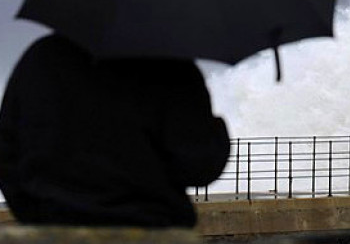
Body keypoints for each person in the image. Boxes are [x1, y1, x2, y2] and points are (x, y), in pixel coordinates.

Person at [0, 34, 230, 227]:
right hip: (151, 230)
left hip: (54, 227)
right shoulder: (171, 66)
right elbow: (199, 167)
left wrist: (34, 216)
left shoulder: (41, 58)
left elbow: (7, 152)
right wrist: (216, 130)